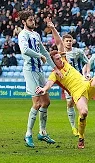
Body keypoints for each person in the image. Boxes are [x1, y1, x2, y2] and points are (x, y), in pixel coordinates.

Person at [35, 49, 95, 149]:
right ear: (53, 62)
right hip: (78, 94)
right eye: (57, 59)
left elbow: (59, 43)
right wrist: (44, 89)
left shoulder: (65, 61)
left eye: (60, 57)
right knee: (84, 113)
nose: (60, 60)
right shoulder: (54, 74)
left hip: (88, 85)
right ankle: (81, 137)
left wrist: (53, 31)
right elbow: (49, 83)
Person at [18, 10, 63, 148]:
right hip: (30, 71)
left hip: (40, 71)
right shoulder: (22, 35)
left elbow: (44, 52)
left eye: (33, 19)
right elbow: (25, 50)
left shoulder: (36, 35)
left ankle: (42, 132)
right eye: (30, 20)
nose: (33, 21)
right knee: (37, 103)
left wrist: (55, 68)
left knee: (46, 102)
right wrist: (39, 56)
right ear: (24, 22)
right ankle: (28, 135)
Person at [47, 18, 90, 136]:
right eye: (67, 41)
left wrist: (86, 73)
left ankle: (81, 121)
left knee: (79, 103)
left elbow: (87, 62)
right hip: (68, 82)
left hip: (79, 80)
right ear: (64, 42)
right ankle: (73, 127)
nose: (69, 43)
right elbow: (58, 43)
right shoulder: (60, 55)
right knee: (70, 103)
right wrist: (52, 28)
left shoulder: (78, 52)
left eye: (70, 41)